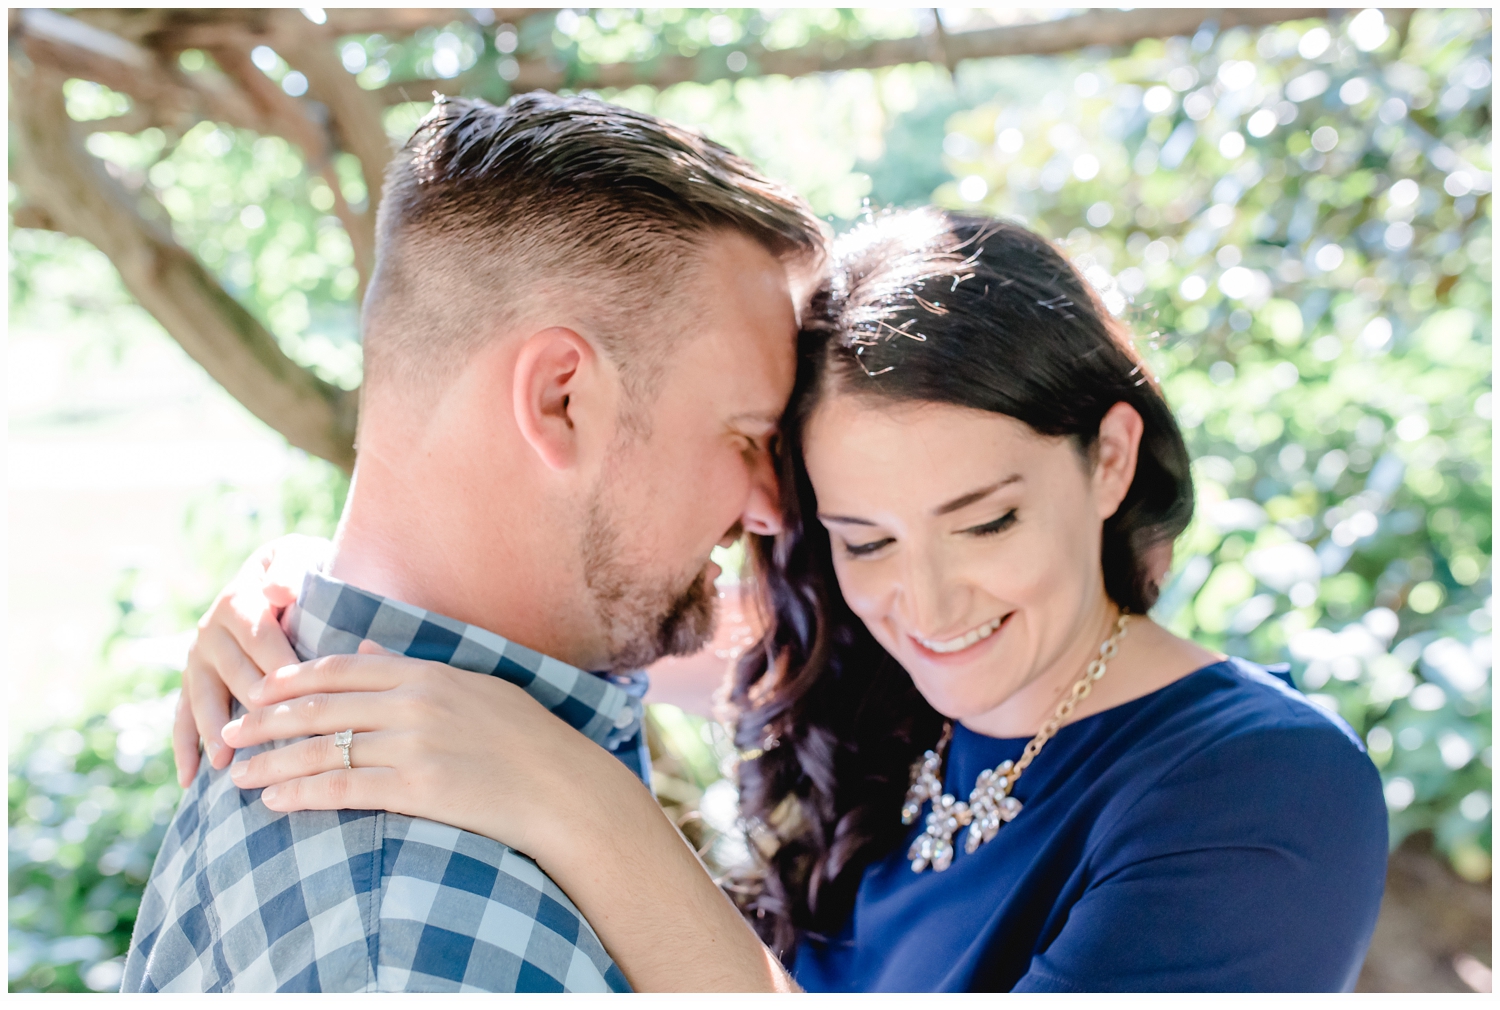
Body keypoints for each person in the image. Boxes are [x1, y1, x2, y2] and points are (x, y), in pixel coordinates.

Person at [177, 209, 1390, 991]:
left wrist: (584, 805)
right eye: (863, 536)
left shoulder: (1266, 793)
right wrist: (293, 595)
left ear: (1109, 460)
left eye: (988, 518)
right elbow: (563, 588)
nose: (929, 597)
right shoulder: (864, 664)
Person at [122, 90, 826, 993]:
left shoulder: (471, 738)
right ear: (559, 401)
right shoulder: (424, 939)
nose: (773, 508)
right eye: (744, 437)